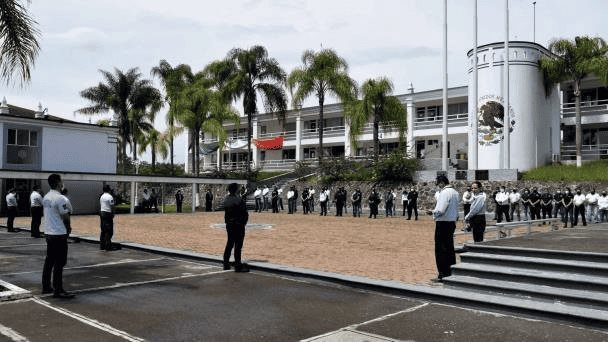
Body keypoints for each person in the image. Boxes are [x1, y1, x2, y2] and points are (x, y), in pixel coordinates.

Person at [41, 174, 75, 299]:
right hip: (59, 233)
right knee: (60, 262)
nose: (62, 183)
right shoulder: (60, 198)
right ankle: (58, 289)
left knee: (49, 261)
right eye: (61, 181)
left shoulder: (46, 197)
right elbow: (65, 216)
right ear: (57, 183)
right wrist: (69, 229)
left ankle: (46, 286)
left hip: (49, 232)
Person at [430, 175, 460, 282]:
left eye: (438, 183)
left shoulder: (444, 192)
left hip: (442, 223)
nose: (438, 186)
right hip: (451, 222)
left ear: (442, 182)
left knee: (440, 249)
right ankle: (451, 271)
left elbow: (440, 210)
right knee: (449, 248)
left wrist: (433, 213)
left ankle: (442, 273)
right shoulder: (455, 192)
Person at [223, 183, 249, 273]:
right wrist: (243, 223)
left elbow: (226, 214)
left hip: (229, 225)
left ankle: (225, 264)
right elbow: (245, 214)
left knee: (229, 244)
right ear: (236, 190)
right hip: (238, 225)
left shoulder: (226, 200)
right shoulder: (239, 200)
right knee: (238, 246)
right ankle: (238, 265)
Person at [99, 185, 117, 251]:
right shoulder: (110, 197)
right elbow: (112, 206)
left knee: (103, 230)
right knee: (109, 231)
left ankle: (102, 246)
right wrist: (113, 213)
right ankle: (108, 246)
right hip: (107, 213)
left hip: (102, 213)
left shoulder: (101, 196)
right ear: (109, 190)